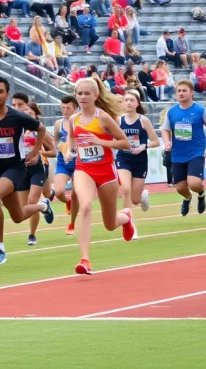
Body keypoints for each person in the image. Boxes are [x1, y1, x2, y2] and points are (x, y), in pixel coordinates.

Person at [0, 77, 53, 265]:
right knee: (18, 216)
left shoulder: (17, 117)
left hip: (16, 168)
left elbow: (41, 129)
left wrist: (35, 152)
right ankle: (43, 206)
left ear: (7, 95)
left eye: (0, 91)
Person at [63, 76, 133, 275]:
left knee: (109, 224)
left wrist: (101, 142)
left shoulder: (103, 118)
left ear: (95, 95)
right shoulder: (73, 119)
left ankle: (126, 217)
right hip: (83, 169)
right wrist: (69, 150)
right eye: (79, 93)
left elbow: (125, 143)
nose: (83, 97)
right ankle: (85, 260)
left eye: (87, 93)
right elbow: (71, 137)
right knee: (85, 206)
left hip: (106, 172)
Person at [161, 80, 206, 217]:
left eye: (184, 90)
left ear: (191, 92)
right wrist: (167, 141)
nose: (181, 93)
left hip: (196, 152)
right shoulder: (171, 112)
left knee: (194, 183)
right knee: (180, 188)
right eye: (179, 91)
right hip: (178, 154)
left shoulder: (200, 110)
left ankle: (201, 194)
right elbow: (165, 129)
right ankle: (187, 198)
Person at [11, 97, 56, 246]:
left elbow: (54, 151)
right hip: (21, 170)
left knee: (33, 200)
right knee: (24, 208)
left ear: (35, 115)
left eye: (29, 113)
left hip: (38, 168)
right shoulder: (15, 129)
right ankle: (45, 205)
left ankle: (32, 235)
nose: (26, 115)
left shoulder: (39, 130)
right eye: (24, 112)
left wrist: (38, 153)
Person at [116, 90, 160, 219]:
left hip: (140, 160)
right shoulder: (119, 120)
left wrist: (143, 146)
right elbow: (114, 139)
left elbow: (156, 141)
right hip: (123, 158)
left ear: (137, 103)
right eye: (126, 100)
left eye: (132, 100)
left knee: (134, 200)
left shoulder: (143, 120)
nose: (128, 103)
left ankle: (142, 196)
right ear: (123, 103)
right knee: (126, 189)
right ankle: (128, 222)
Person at [52, 95, 79, 235]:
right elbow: (56, 141)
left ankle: (72, 224)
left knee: (76, 194)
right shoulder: (59, 123)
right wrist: (61, 147)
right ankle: (68, 202)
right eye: (63, 108)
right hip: (63, 162)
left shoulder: (80, 122)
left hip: (79, 163)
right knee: (58, 191)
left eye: (68, 108)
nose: (65, 110)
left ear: (75, 108)